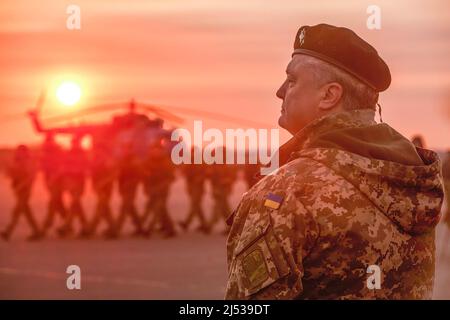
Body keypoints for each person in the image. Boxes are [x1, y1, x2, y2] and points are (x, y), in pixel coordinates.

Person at [225, 24, 444, 299]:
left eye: (292, 80)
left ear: (329, 95)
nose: (279, 91)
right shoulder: (412, 178)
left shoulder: (288, 191)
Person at [1, 145, 41, 241]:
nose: (19, 153)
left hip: (24, 190)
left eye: (21, 151)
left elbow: (31, 177)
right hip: (18, 189)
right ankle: (36, 231)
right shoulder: (17, 161)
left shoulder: (29, 162)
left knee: (18, 211)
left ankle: (8, 231)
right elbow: (11, 174)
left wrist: (21, 186)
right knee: (25, 211)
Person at [143, 140, 176, 238]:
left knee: (159, 208)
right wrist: (147, 188)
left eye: (157, 150)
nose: (155, 152)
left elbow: (171, 177)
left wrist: (163, 186)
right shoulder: (148, 162)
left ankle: (149, 229)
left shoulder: (166, 162)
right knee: (160, 210)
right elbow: (145, 177)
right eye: (153, 150)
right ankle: (169, 229)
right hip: (152, 189)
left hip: (162, 190)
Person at [58, 136, 90, 237]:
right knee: (76, 204)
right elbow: (64, 167)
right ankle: (85, 227)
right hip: (71, 180)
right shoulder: (69, 154)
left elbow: (86, 168)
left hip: (79, 180)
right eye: (74, 143)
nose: (75, 145)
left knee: (75, 202)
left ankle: (67, 225)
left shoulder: (83, 154)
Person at [88, 139, 118, 238]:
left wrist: (103, 183)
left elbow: (113, 174)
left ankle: (91, 229)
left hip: (105, 187)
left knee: (102, 207)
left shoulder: (107, 160)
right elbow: (93, 174)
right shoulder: (95, 159)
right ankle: (112, 229)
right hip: (99, 186)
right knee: (104, 208)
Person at [115, 142, 145, 236]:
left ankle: (115, 229)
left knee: (124, 208)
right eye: (124, 149)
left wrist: (132, 184)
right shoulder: (122, 160)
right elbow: (119, 176)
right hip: (123, 187)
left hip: (131, 187)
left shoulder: (135, 160)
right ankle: (140, 228)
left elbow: (139, 175)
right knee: (131, 208)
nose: (126, 151)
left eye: (128, 149)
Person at [41, 133, 67, 236]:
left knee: (53, 203)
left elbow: (62, 167)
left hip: (56, 181)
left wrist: (54, 178)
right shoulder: (46, 152)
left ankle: (46, 225)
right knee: (58, 204)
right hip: (50, 181)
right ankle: (68, 225)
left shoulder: (57, 152)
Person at [179, 146, 209, 233]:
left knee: (195, 204)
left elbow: (206, 174)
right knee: (197, 206)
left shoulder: (202, 162)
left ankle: (187, 223)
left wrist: (200, 178)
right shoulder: (188, 162)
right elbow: (184, 173)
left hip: (198, 187)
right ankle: (204, 224)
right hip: (191, 186)